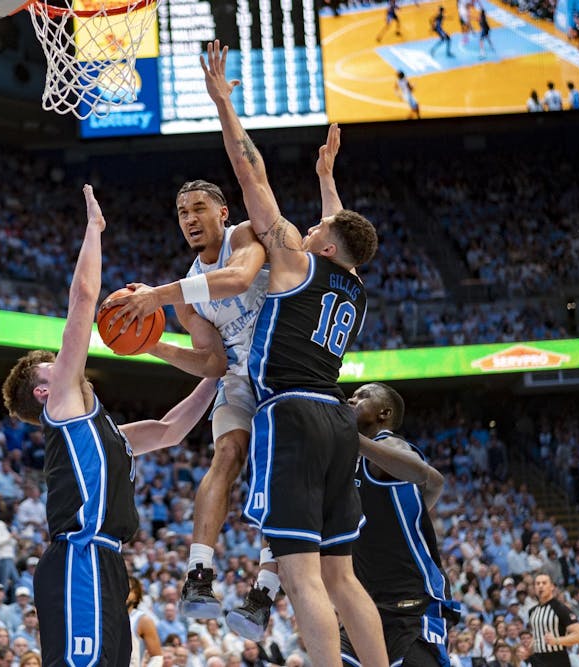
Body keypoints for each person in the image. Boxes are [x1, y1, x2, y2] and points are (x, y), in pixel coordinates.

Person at [101, 126, 346, 617]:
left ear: (223, 213)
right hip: (238, 379)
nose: (190, 219)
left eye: (198, 209)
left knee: (278, 477)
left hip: (286, 373)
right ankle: (198, 577)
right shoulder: (187, 296)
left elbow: (236, 279)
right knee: (227, 454)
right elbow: (212, 363)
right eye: (182, 213)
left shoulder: (245, 236)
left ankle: (263, 593)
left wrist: (156, 296)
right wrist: (153, 346)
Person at [201, 39, 386, 667]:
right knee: (342, 577)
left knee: (302, 575)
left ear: (323, 247)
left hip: (292, 414)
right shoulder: (354, 286)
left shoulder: (293, 259)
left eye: (316, 229)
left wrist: (224, 105)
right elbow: (344, 235)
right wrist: (327, 180)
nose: (306, 228)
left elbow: (250, 174)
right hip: (337, 420)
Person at [0, 185, 220, 667]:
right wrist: (95, 230)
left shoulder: (104, 433)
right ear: (43, 392)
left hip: (107, 562)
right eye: (53, 364)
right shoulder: (63, 408)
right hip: (78, 556)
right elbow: (83, 300)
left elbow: (169, 429)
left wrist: (218, 376)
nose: (65, 361)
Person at [339, 383, 459, 667]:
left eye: (362, 396)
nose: (352, 399)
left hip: (411, 606)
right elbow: (437, 482)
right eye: (351, 396)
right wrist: (403, 513)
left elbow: (419, 471)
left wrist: (351, 439)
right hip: (366, 604)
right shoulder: (351, 460)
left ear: (384, 413)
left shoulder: (388, 443)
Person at [528, 574, 579, 667]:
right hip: (537, 660)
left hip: (556, 659)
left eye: (544, 583)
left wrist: (557, 640)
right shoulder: (532, 611)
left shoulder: (560, 609)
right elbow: (537, 635)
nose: (540, 586)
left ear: (552, 587)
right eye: (537, 583)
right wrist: (529, 650)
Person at [129, 576, 163, 667]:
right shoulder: (106, 618)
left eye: (128, 590)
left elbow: (157, 657)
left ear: (136, 596)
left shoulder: (143, 620)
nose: (123, 593)